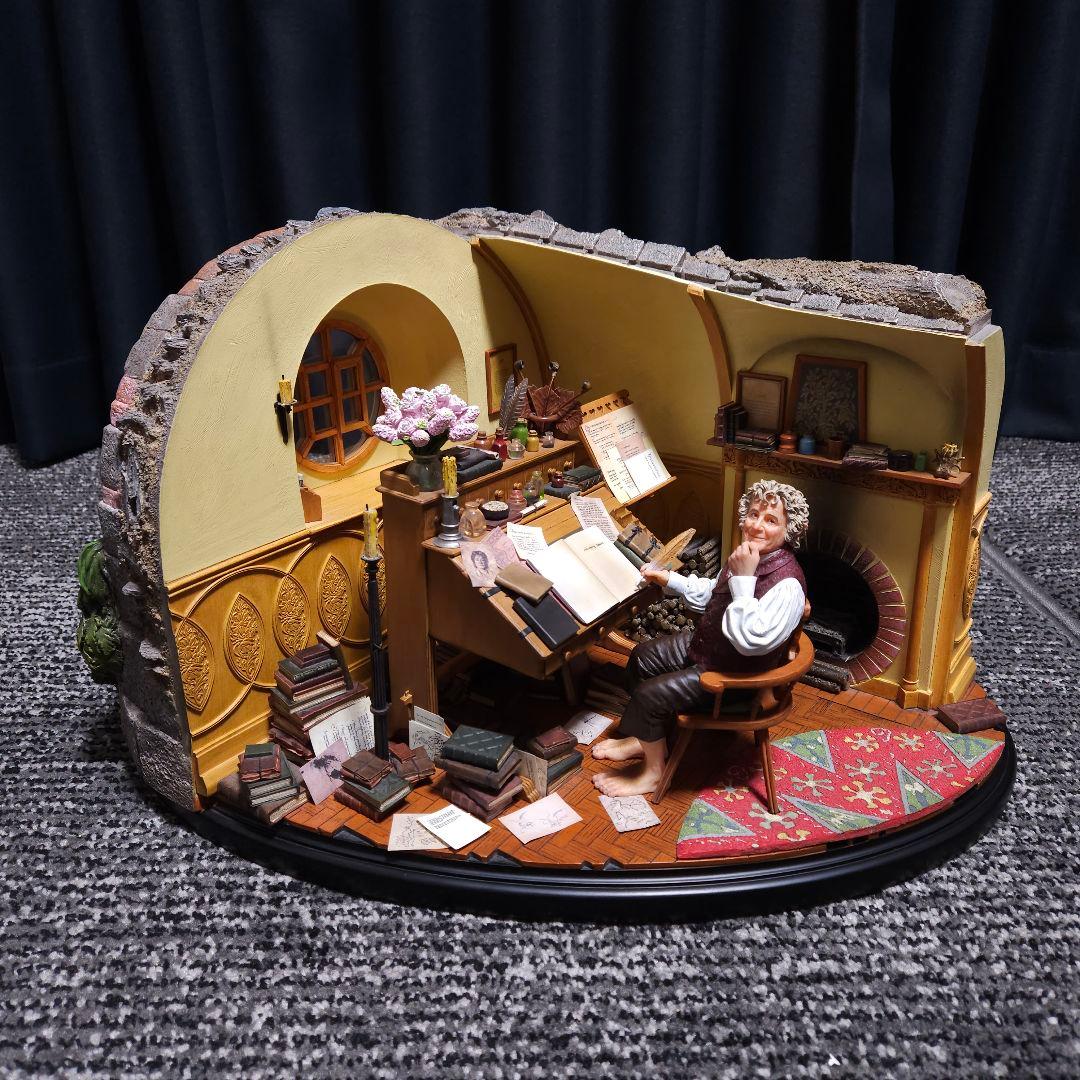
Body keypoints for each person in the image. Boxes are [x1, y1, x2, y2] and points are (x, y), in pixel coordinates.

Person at [592, 479, 810, 797]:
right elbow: (713, 593)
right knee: (641, 658)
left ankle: (653, 773)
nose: (757, 526)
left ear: (789, 530)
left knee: (650, 695)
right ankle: (645, 739)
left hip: (735, 678)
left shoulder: (786, 585)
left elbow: (750, 641)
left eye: (771, 520)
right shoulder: (748, 556)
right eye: (753, 514)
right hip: (710, 649)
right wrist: (670, 579)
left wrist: (745, 579)